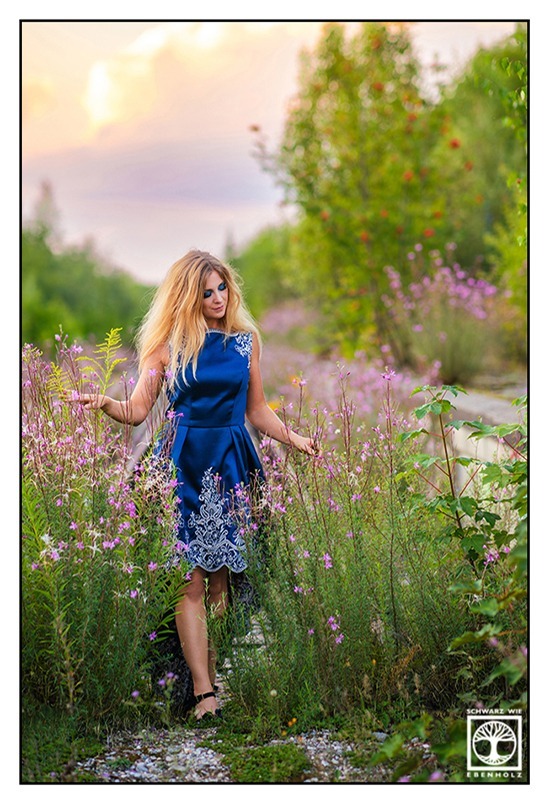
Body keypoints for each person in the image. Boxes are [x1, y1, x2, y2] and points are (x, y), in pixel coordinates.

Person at [76, 249, 318, 720]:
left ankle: (201, 680)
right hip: (181, 462)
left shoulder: (246, 343)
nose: (217, 298)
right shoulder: (166, 349)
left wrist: (295, 438)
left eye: (222, 287)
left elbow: (257, 410)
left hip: (230, 460)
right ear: (188, 296)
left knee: (221, 584)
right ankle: (206, 693)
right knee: (189, 580)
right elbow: (137, 411)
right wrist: (107, 401)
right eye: (206, 291)